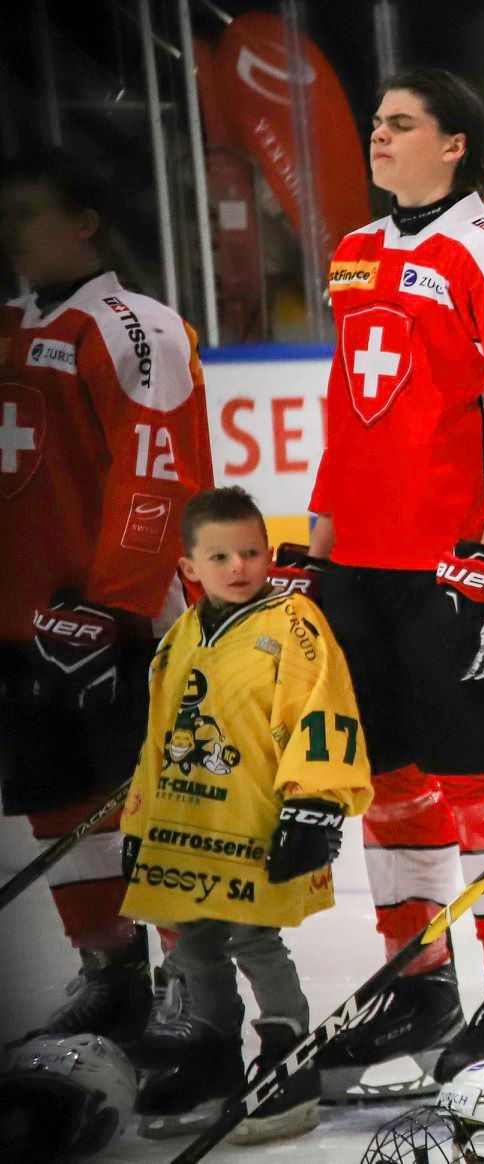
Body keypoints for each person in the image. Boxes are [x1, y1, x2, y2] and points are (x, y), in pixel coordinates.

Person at [304, 67, 484, 1096]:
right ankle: (417, 983)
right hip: (362, 565)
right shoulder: (356, 253)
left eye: (401, 123)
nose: (379, 137)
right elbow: (345, 407)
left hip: (466, 565)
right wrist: (317, 544)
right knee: (390, 789)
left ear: (455, 143)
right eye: (376, 123)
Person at [0, 150, 213, 1045]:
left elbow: (160, 475)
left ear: (84, 221)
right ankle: (111, 973)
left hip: (111, 628)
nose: (11, 231)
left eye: (29, 212)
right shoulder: (10, 324)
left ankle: (191, 997)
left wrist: (110, 606)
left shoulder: (131, 324)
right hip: (21, 627)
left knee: (148, 813)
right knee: (59, 805)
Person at [119, 487, 371, 1143]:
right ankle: (212, 1054)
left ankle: (289, 1057)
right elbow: (160, 737)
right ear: (190, 568)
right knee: (195, 938)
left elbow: (324, 708)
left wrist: (315, 805)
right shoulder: (180, 636)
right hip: (190, 828)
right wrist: (139, 822)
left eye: (252, 551)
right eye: (221, 555)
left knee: (254, 938)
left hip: (262, 823)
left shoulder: (293, 623)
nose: (240, 566)